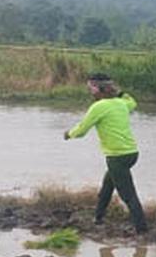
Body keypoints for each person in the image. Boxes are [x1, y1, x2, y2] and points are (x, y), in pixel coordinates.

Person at [63, 73, 147, 234]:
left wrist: (68, 134)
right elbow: (133, 102)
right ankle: (98, 218)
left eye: (90, 88)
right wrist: (120, 92)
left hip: (117, 157)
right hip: (132, 154)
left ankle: (142, 230)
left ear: (98, 89)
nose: (89, 92)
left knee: (128, 196)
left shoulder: (98, 107)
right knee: (107, 187)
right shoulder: (121, 103)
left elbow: (81, 130)